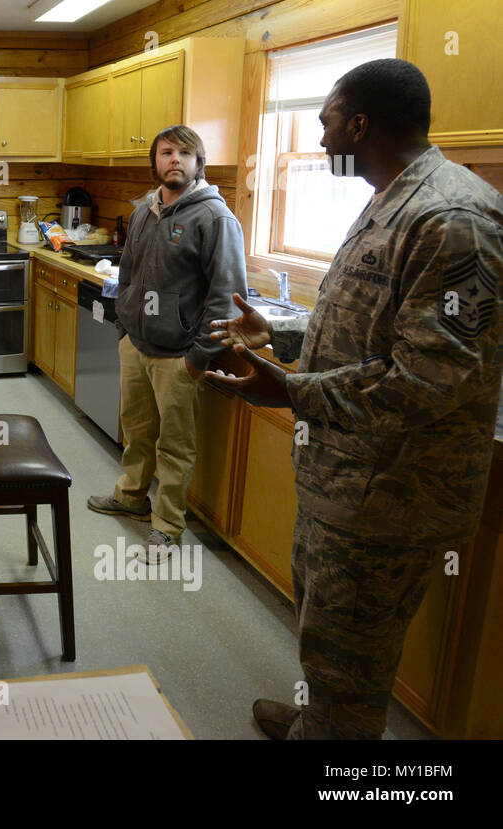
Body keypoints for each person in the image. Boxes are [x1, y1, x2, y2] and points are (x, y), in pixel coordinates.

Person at [205, 59, 503, 739]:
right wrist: (277, 330)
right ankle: (320, 722)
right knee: (325, 634)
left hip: (393, 494)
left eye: (325, 122)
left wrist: (293, 390)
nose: (317, 139)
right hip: (345, 480)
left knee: (352, 662)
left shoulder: (451, 217)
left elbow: (430, 374)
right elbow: (365, 327)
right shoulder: (390, 197)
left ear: (360, 123)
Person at [87, 125, 247, 559]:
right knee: (137, 429)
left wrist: (197, 358)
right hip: (136, 343)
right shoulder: (144, 211)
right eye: (165, 152)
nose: (174, 159)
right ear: (155, 162)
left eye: (184, 153)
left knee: (174, 445)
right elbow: (128, 274)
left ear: (199, 163)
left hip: (179, 355)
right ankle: (131, 497)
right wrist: (124, 326)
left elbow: (228, 299)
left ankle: (168, 525)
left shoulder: (215, 219)